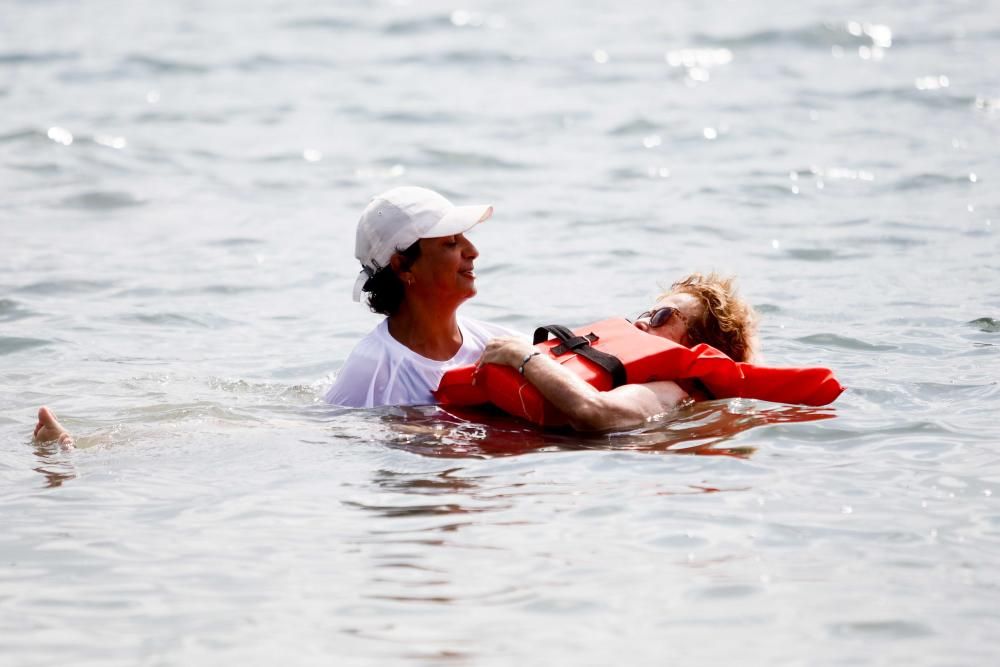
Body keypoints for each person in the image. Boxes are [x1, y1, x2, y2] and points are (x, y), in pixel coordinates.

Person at [476, 272, 758, 432]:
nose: (640, 322)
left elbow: (597, 413)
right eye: (646, 313)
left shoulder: (671, 390)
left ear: (697, 345)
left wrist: (524, 357)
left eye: (662, 316)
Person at [324, 186, 519, 407]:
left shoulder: (500, 345)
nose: (473, 251)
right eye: (451, 243)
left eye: (465, 237)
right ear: (403, 266)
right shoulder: (371, 370)